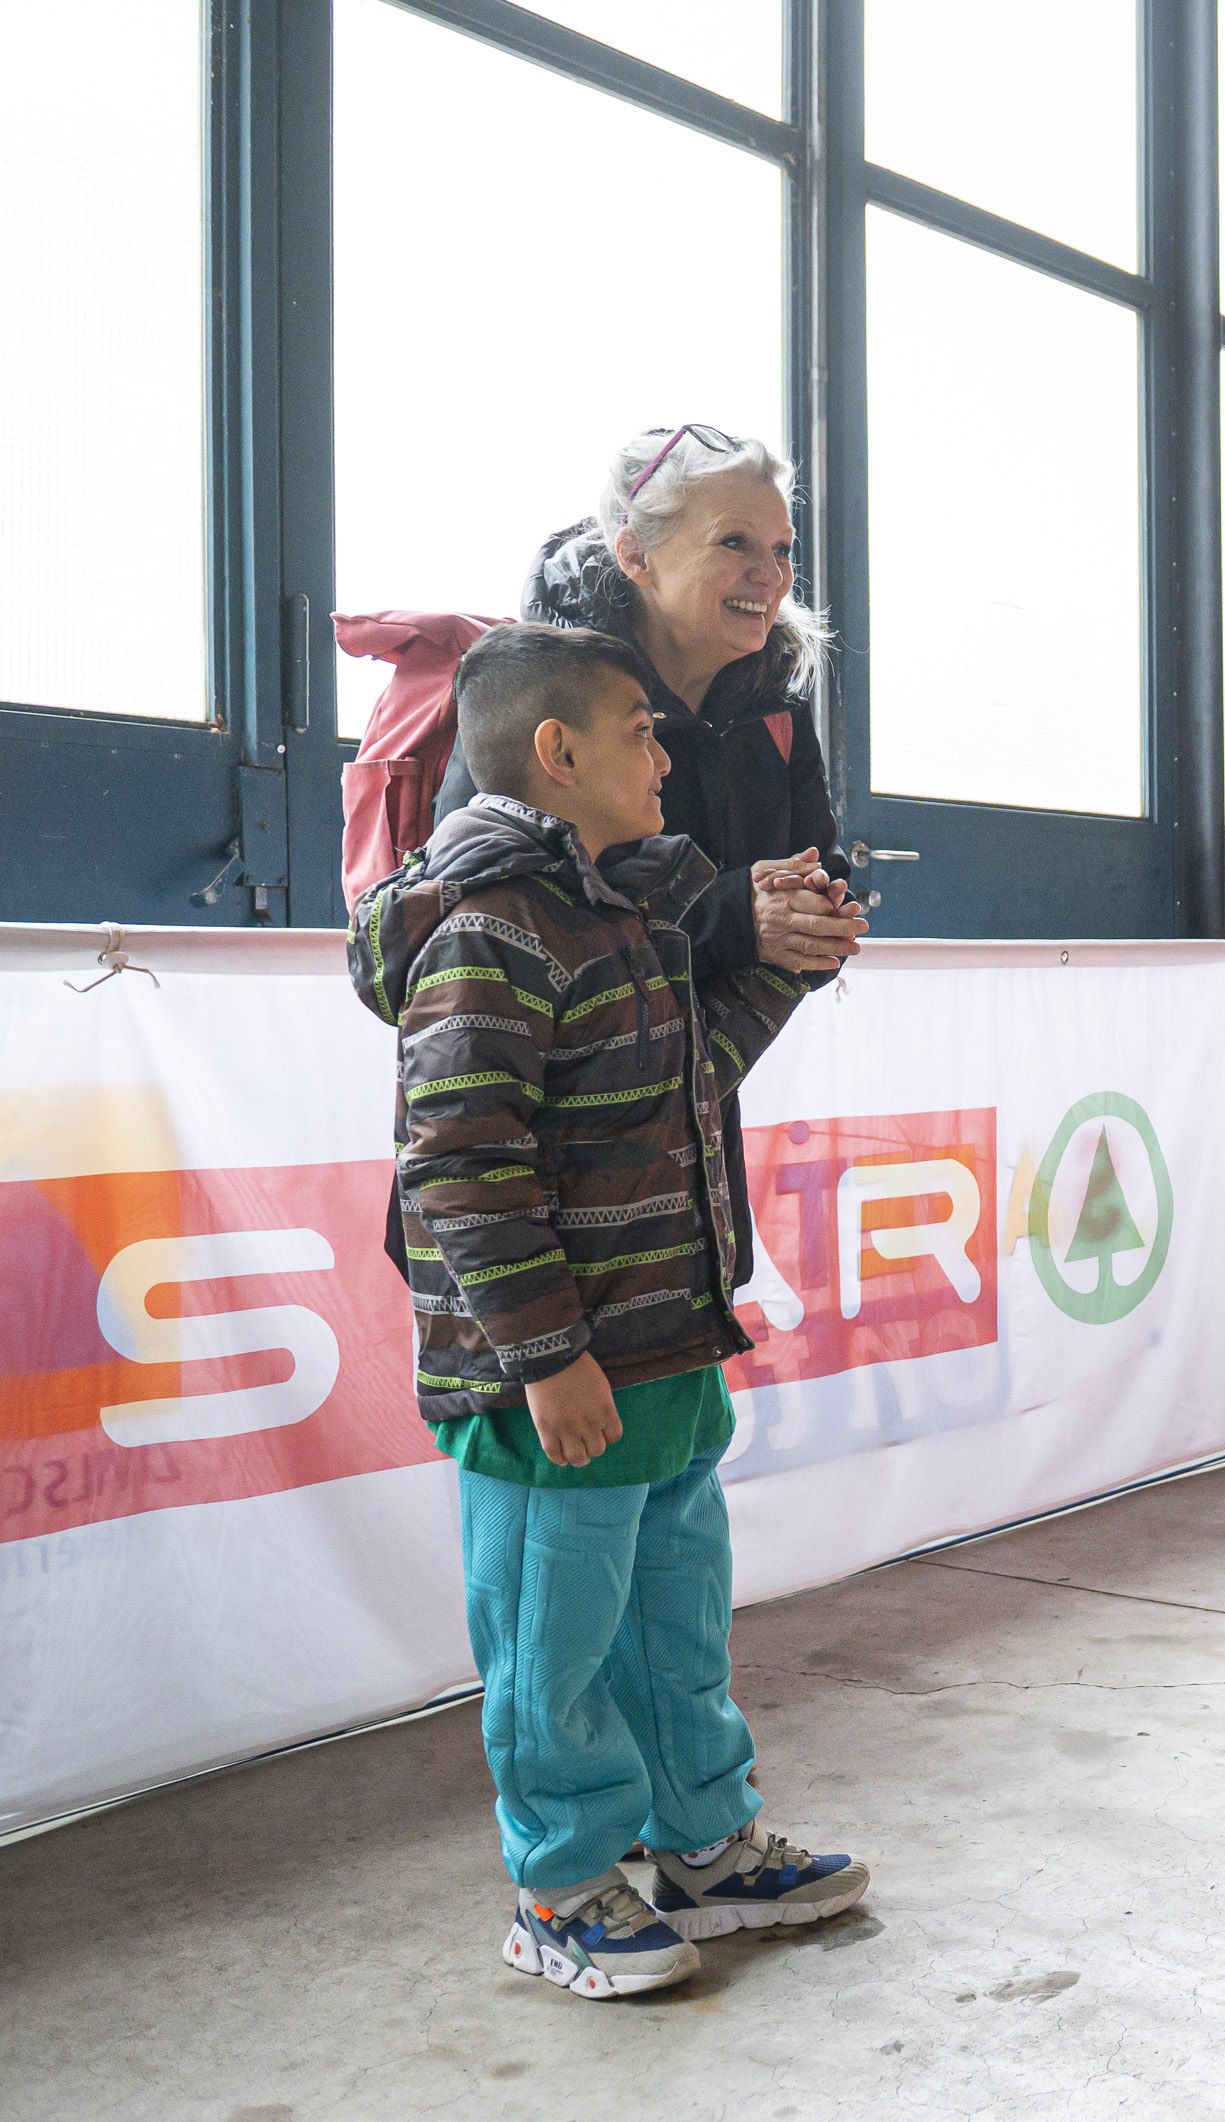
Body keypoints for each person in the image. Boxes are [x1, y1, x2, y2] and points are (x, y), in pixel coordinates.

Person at [353, 623, 872, 2000]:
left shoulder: (625, 913)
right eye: (640, 733)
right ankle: (562, 1884)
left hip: (664, 1352)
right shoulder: (485, 930)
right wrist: (547, 1356)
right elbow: (462, 1165)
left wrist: (786, 967)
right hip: (557, 1383)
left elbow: (685, 1078)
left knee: (673, 1625)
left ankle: (703, 1843)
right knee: (553, 1646)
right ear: (557, 753)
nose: (664, 757)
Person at [436, 424, 865, 1269]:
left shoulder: (776, 709)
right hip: (529, 1188)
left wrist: (815, 920)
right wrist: (738, 918)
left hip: (688, 1179)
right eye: (734, 542)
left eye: (782, 549)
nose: (771, 574)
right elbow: (492, 916)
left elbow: (810, 885)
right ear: (635, 553)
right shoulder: (536, 689)